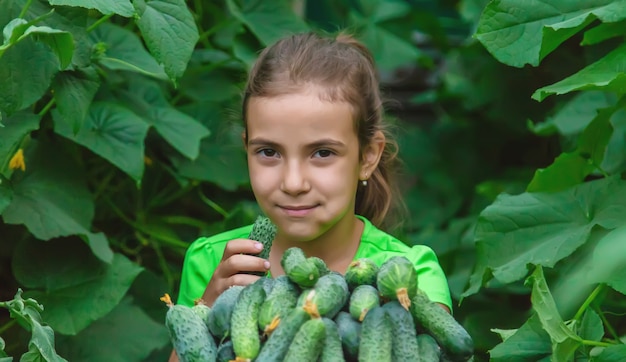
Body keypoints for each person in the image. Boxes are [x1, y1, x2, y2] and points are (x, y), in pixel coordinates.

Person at [168, 30, 452, 361]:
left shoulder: (409, 273)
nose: (293, 182)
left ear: (368, 157)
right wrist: (209, 310)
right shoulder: (213, 262)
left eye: (321, 153)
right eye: (269, 152)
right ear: (246, 148)